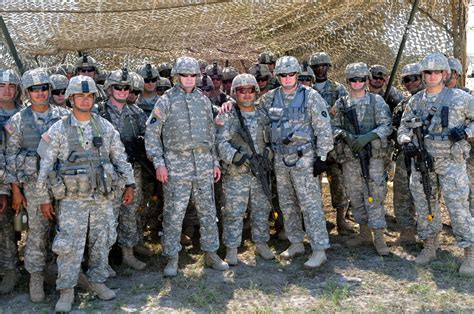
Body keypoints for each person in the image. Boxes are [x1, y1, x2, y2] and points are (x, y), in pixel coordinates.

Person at [35, 75, 135, 311]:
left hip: (102, 197)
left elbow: (119, 157)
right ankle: (66, 292)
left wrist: (130, 184)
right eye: (80, 95)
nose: (85, 100)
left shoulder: (105, 127)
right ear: (71, 99)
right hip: (72, 200)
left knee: (103, 241)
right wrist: (43, 199)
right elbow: (45, 167)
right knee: (69, 246)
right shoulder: (58, 129)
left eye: (89, 95)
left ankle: (98, 282)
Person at [145, 56, 228, 277]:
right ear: (176, 77)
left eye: (193, 75)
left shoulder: (202, 100)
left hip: (202, 163)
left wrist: (214, 162)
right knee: (174, 213)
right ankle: (171, 257)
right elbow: (152, 135)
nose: (189, 79)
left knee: (208, 211)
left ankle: (211, 254)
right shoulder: (165, 101)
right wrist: (159, 164)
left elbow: (211, 134)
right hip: (176, 164)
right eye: (184, 75)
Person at [398, 53, 473, 276]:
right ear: (423, 75)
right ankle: (430, 245)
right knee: (425, 205)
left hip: (451, 161)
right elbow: (404, 128)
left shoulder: (461, 98)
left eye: (437, 72)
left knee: (458, 207)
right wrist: (406, 142)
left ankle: (469, 253)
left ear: (445, 74)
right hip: (423, 162)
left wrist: (466, 131)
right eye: (428, 72)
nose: (432, 76)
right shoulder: (415, 101)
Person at [258, 56, 333, 268]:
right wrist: (228, 105)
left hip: (304, 158)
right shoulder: (270, 99)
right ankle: (296, 242)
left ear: (297, 75)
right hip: (281, 159)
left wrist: (322, 157)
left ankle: (319, 248)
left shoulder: (311, 97)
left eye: (292, 74)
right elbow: (253, 114)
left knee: (310, 204)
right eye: (283, 75)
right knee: (287, 203)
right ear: (277, 76)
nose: (288, 78)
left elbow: (323, 128)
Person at [5, 68, 69, 302]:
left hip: (61, 184)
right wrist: (15, 190)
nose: (40, 93)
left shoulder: (64, 116)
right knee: (37, 234)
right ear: (27, 93)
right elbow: (10, 157)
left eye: (44, 88)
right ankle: (36, 277)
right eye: (34, 89)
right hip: (32, 187)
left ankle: (64, 273)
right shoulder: (17, 122)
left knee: (65, 230)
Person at [332, 62, 392, 256]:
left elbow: (386, 126)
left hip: (372, 158)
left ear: (367, 80)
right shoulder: (341, 104)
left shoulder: (376, 102)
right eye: (353, 80)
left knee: (374, 194)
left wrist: (369, 136)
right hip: (350, 159)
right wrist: (345, 135)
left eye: (361, 79)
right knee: (355, 195)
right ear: (347, 81)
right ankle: (364, 233)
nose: (357, 83)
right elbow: (331, 127)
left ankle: (379, 237)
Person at [216, 74, 275, 265]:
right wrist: (238, 158)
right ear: (234, 93)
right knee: (233, 212)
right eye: (242, 91)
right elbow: (220, 143)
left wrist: (268, 155)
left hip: (260, 173)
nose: (247, 95)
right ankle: (232, 249)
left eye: (251, 90)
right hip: (236, 173)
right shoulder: (227, 115)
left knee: (261, 208)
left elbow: (272, 141)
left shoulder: (263, 115)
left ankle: (261, 244)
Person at [98, 69, 148, 271]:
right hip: (107, 174)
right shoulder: (98, 113)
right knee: (107, 217)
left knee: (130, 213)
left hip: (132, 172)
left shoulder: (136, 113)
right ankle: (103, 260)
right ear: (109, 88)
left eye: (126, 87)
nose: (122, 91)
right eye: (118, 87)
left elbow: (149, 137)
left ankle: (128, 254)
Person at [308, 52, 351, 233]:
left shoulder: (338, 89)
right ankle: (320, 221)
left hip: (334, 145)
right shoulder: (305, 89)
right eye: (316, 66)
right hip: (312, 145)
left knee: (338, 183)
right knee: (312, 186)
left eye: (323, 66)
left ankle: (341, 220)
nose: (320, 69)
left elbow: (346, 111)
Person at [390, 63, 424, 245]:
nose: (410, 83)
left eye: (414, 78)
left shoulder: (431, 100)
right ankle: (407, 232)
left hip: (428, 156)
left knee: (427, 195)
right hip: (405, 155)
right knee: (402, 192)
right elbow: (394, 127)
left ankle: (428, 234)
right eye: (406, 80)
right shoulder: (402, 105)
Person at [0, 69, 24, 294]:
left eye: (11, 85)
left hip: (27, 179)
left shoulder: (25, 114)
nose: (6, 90)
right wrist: (5, 189)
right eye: (1, 85)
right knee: (5, 227)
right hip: (3, 182)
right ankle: (10, 269)